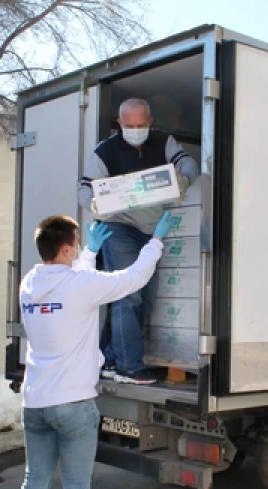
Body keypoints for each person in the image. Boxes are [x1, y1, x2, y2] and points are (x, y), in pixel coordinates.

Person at [6, 210, 178, 489]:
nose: (84, 248)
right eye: (79, 244)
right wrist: (156, 241)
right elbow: (133, 278)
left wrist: (87, 255)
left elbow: (69, 285)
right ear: (67, 248)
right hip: (74, 406)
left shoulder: (29, 284)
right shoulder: (81, 283)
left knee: (33, 483)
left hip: (35, 403)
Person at [79, 97, 199, 385]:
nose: (135, 129)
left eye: (141, 125)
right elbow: (85, 190)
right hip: (119, 227)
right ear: (120, 123)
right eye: (129, 125)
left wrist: (182, 180)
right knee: (127, 294)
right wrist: (95, 204)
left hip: (150, 230)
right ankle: (128, 366)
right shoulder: (105, 151)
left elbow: (189, 164)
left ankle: (108, 358)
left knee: (144, 300)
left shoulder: (163, 142)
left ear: (150, 122)